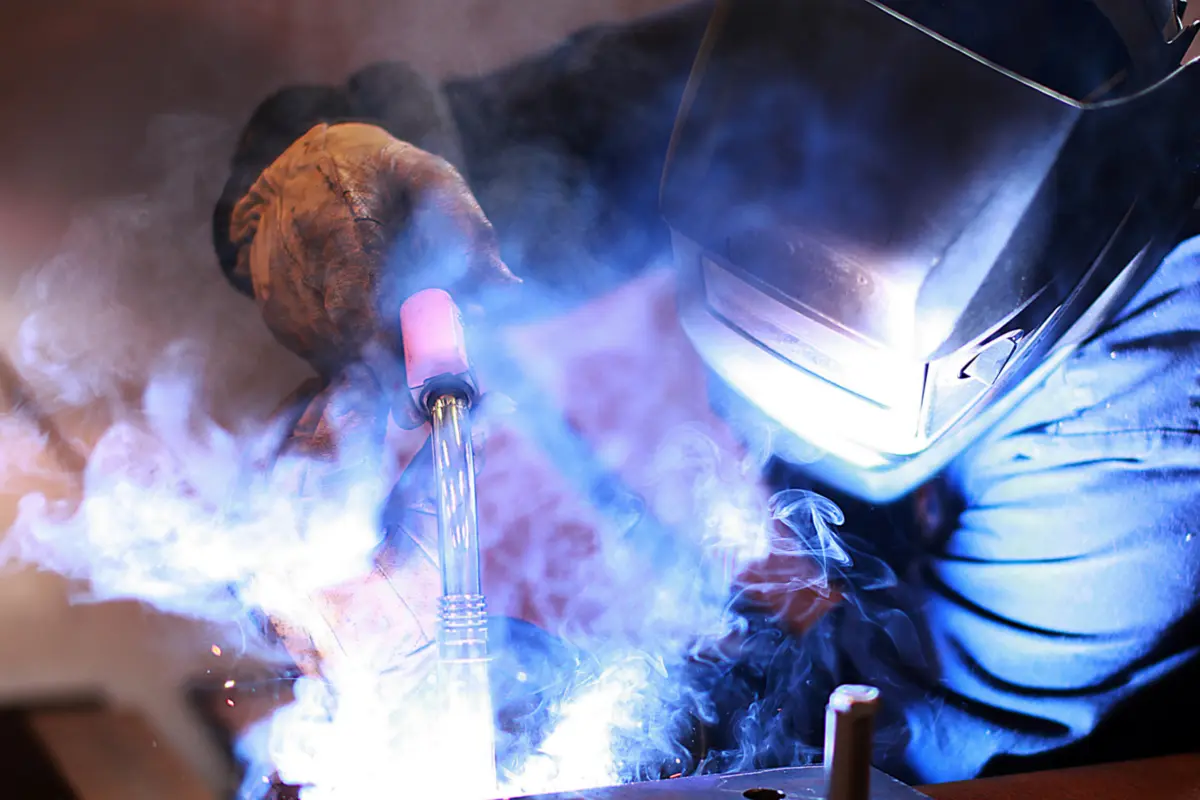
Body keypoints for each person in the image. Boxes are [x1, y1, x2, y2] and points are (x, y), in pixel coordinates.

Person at [210, 0, 1200, 786]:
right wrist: (324, 196)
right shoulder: (791, 67)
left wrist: (561, 701)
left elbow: (904, 723)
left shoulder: (1143, 395)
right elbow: (424, 132)